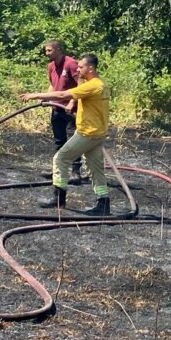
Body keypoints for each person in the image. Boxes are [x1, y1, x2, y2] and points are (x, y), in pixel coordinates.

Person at [19, 54, 111, 216]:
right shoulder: (100, 84)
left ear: (91, 68)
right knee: (96, 168)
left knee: (61, 158)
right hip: (98, 133)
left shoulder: (93, 85)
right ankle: (103, 202)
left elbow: (63, 94)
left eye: (81, 67)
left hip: (87, 133)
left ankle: (58, 198)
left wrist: (36, 95)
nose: (77, 69)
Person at [40, 39, 84, 184]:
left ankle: (76, 172)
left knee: (73, 141)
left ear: (58, 49)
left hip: (71, 111)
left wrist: (72, 102)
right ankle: (57, 169)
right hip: (56, 108)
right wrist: (46, 98)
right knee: (59, 141)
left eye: (49, 50)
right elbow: (53, 86)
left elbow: (81, 85)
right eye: (46, 51)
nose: (46, 53)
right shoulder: (51, 66)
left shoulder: (71, 64)